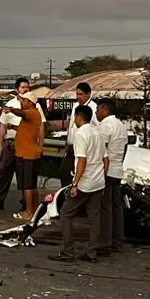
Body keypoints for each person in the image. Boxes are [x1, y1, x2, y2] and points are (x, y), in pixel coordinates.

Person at [51, 104, 107, 264]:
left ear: (79, 117)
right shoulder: (98, 133)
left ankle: (69, 251)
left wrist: (75, 184)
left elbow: (82, 160)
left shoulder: (81, 134)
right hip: (98, 181)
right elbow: (105, 159)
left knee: (66, 213)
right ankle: (92, 252)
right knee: (94, 217)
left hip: (85, 182)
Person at [0, 77, 34, 213]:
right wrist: (0, 144)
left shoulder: (32, 105)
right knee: (4, 172)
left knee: (23, 175)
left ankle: (25, 202)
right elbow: (3, 126)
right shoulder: (10, 104)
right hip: (10, 142)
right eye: (22, 87)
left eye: (27, 87)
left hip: (24, 144)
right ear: (17, 89)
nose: (25, 89)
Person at [2, 90, 45, 221]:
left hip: (28, 155)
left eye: (23, 101)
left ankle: (29, 211)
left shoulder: (31, 113)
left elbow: (21, 113)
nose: (21, 103)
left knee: (27, 185)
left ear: (30, 103)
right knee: (31, 185)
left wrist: (11, 109)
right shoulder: (34, 114)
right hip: (30, 153)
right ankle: (35, 211)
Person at [95, 101, 128, 255]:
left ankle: (105, 243)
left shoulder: (105, 126)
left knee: (105, 208)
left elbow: (102, 151)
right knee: (117, 207)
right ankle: (118, 241)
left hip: (107, 171)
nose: (95, 113)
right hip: (118, 169)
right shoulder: (121, 126)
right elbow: (125, 147)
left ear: (105, 110)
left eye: (98, 110)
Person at [55, 82, 99, 188]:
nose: (78, 97)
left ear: (88, 94)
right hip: (71, 145)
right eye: (77, 94)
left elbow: (97, 128)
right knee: (64, 173)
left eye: (81, 94)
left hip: (84, 147)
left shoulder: (94, 108)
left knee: (76, 173)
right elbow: (71, 126)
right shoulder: (75, 106)